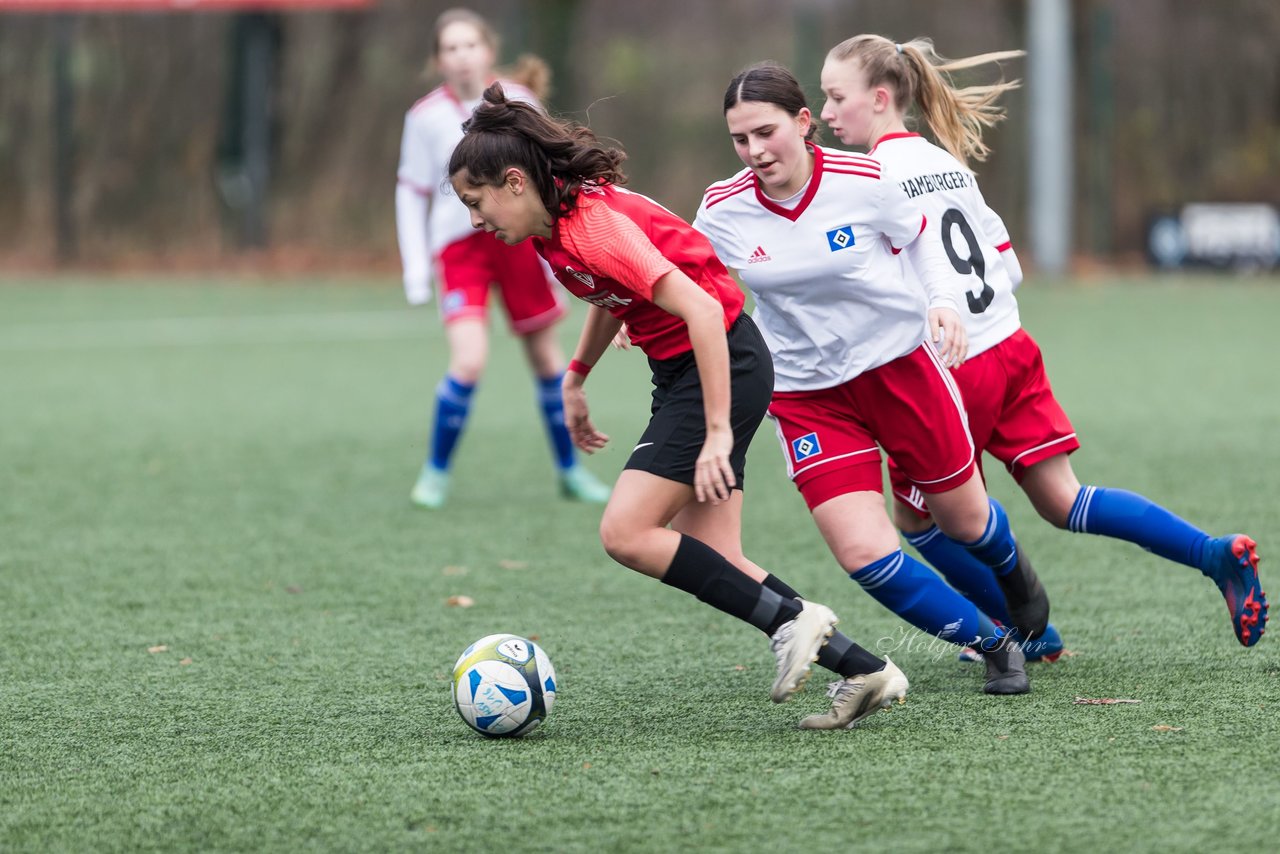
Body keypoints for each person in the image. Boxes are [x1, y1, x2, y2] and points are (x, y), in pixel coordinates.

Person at [447, 82, 908, 730]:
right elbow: (613, 295)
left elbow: (699, 309)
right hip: (699, 370)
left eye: (476, 201)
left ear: (516, 182)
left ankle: (794, 620)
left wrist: (717, 431)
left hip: (719, 365)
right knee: (716, 556)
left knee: (626, 532)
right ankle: (866, 670)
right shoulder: (556, 228)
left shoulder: (591, 225)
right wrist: (575, 376)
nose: (474, 219)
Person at [818, 34, 1267, 649]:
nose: (825, 112)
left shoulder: (868, 177)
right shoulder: (946, 163)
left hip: (954, 368)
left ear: (878, 98)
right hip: (1010, 346)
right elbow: (1010, 266)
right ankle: (1214, 555)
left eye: (835, 96)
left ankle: (1023, 628)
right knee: (1065, 499)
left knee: (917, 521)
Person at [694, 62, 1051, 700]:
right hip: (806, 394)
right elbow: (689, 278)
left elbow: (926, 246)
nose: (754, 152)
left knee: (966, 521)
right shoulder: (724, 208)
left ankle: (1014, 574)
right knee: (862, 552)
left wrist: (941, 300)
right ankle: (995, 644)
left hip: (899, 370)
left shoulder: (865, 180)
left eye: (766, 133)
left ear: (805, 124)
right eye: (739, 140)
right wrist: (641, 318)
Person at [395, 7, 611, 509]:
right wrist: (414, 267)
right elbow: (411, 190)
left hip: (519, 245)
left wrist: (559, 247)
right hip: (460, 249)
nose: (461, 56)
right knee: (468, 362)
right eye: (450, 48)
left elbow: (546, 175)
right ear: (438, 60)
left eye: (470, 45)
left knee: (547, 361)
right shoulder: (423, 116)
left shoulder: (519, 100)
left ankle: (569, 472)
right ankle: (435, 473)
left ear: (488, 51)